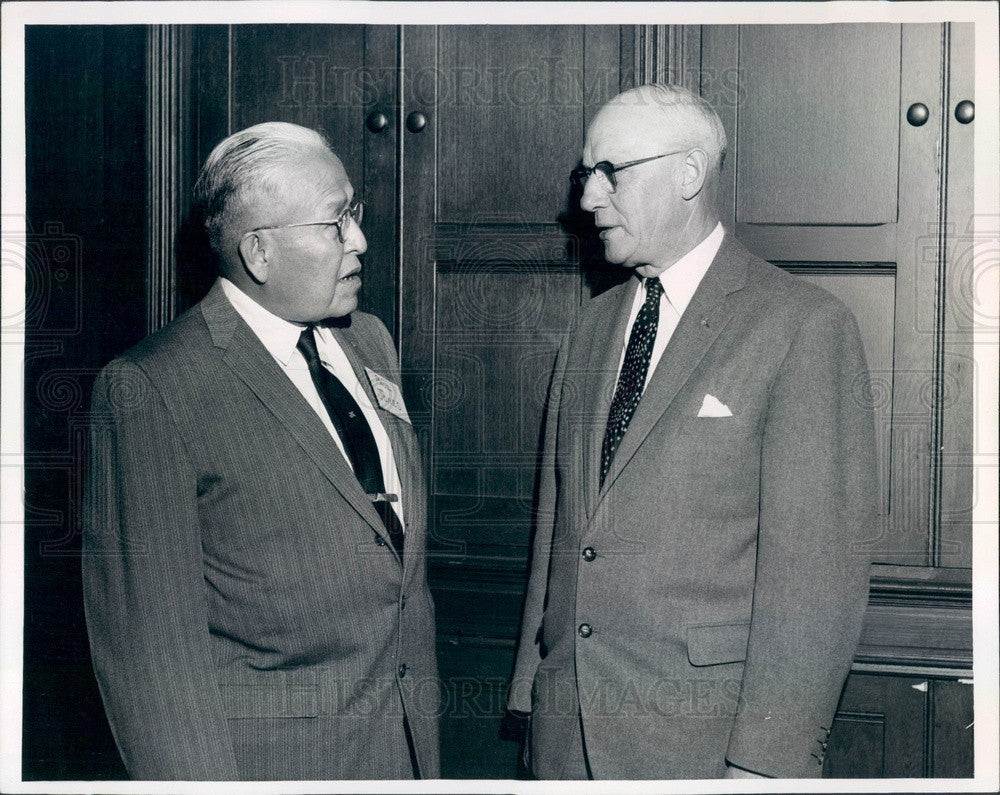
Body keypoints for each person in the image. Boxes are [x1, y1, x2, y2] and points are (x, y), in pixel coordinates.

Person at [507, 84, 876, 779]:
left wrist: (767, 761)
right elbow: (557, 532)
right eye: (585, 175)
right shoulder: (588, 330)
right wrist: (533, 693)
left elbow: (816, 576)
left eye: (610, 173)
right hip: (565, 736)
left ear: (688, 174)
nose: (587, 198)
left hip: (700, 748)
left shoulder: (800, 326)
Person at [82, 122, 439, 781]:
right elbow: (151, 662)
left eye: (353, 212)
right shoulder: (152, 389)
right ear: (259, 252)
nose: (359, 240)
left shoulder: (370, 343)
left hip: (402, 752)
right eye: (336, 223)